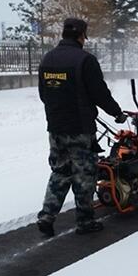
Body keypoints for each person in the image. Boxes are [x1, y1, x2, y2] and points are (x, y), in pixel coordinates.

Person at [36, 18, 127, 237]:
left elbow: (43, 95)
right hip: (80, 130)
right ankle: (85, 222)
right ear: (81, 36)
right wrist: (117, 113)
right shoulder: (85, 60)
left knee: (60, 172)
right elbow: (100, 94)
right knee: (84, 175)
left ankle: (46, 217)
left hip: (55, 129)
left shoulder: (47, 59)